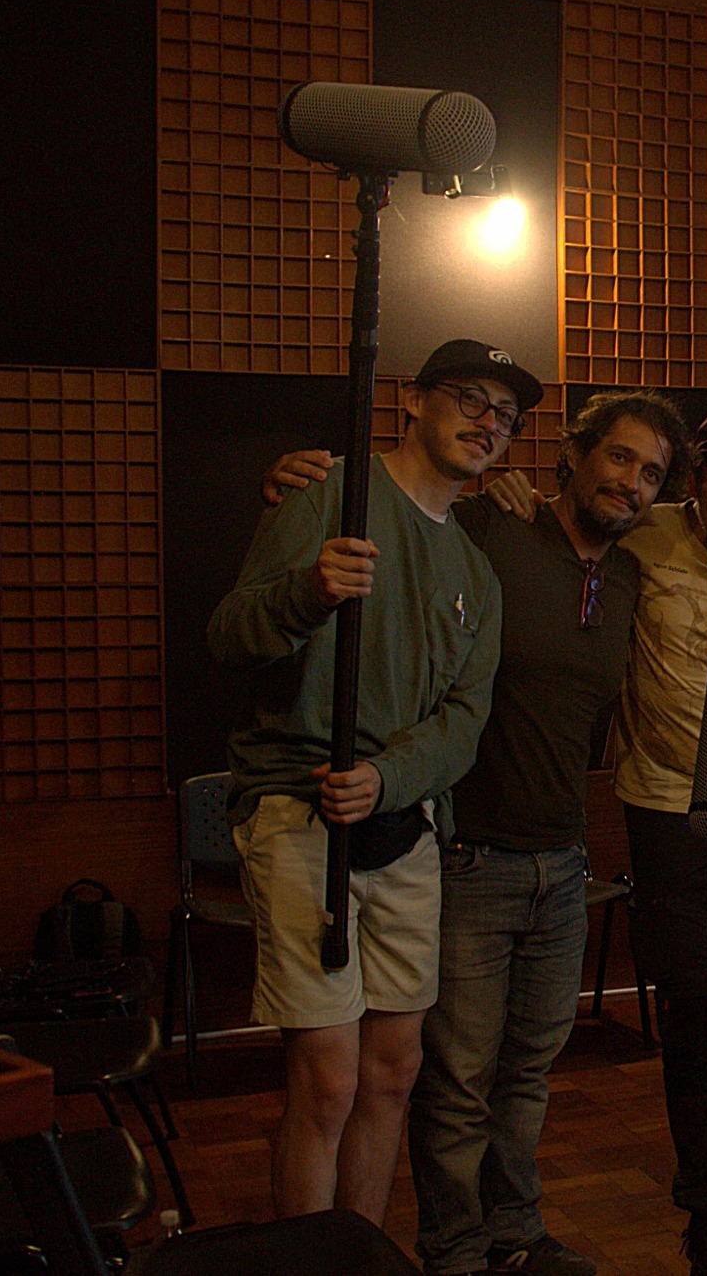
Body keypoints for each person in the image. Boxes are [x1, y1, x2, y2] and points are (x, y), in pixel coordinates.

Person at [263, 388, 693, 1275]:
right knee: (455, 1079)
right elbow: (398, 504)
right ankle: (453, 1247)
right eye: (618, 457)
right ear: (573, 455)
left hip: (563, 860)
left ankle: (513, 1231)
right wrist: (303, 480)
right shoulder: (493, 529)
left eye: (652, 473)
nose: (632, 481)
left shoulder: (629, 574)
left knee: (528, 1072)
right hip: (466, 852)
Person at [207, 338, 521, 1227]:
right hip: (300, 809)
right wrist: (308, 594)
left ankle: (363, 1250)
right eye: (470, 398)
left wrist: (388, 777)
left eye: (505, 415)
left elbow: (464, 719)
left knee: (392, 1071)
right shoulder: (328, 492)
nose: (487, 423)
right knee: (329, 1080)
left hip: (402, 822)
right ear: (415, 399)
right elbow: (229, 636)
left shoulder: (477, 571)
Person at [485, 408, 707, 1276]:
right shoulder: (644, 534)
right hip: (667, 810)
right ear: (695, 484)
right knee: (696, 1004)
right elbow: (564, 523)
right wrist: (509, 489)